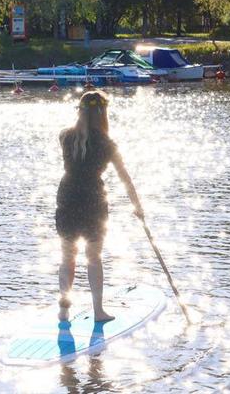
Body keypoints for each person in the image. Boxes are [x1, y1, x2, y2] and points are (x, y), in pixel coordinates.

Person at [55, 90, 143, 323]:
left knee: (67, 257)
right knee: (93, 257)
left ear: (80, 112)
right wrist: (137, 206)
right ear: (103, 114)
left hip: (67, 195)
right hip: (93, 198)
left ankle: (64, 311)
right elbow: (125, 177)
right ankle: (98, 311)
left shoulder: (64, 136)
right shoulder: (107, 144)